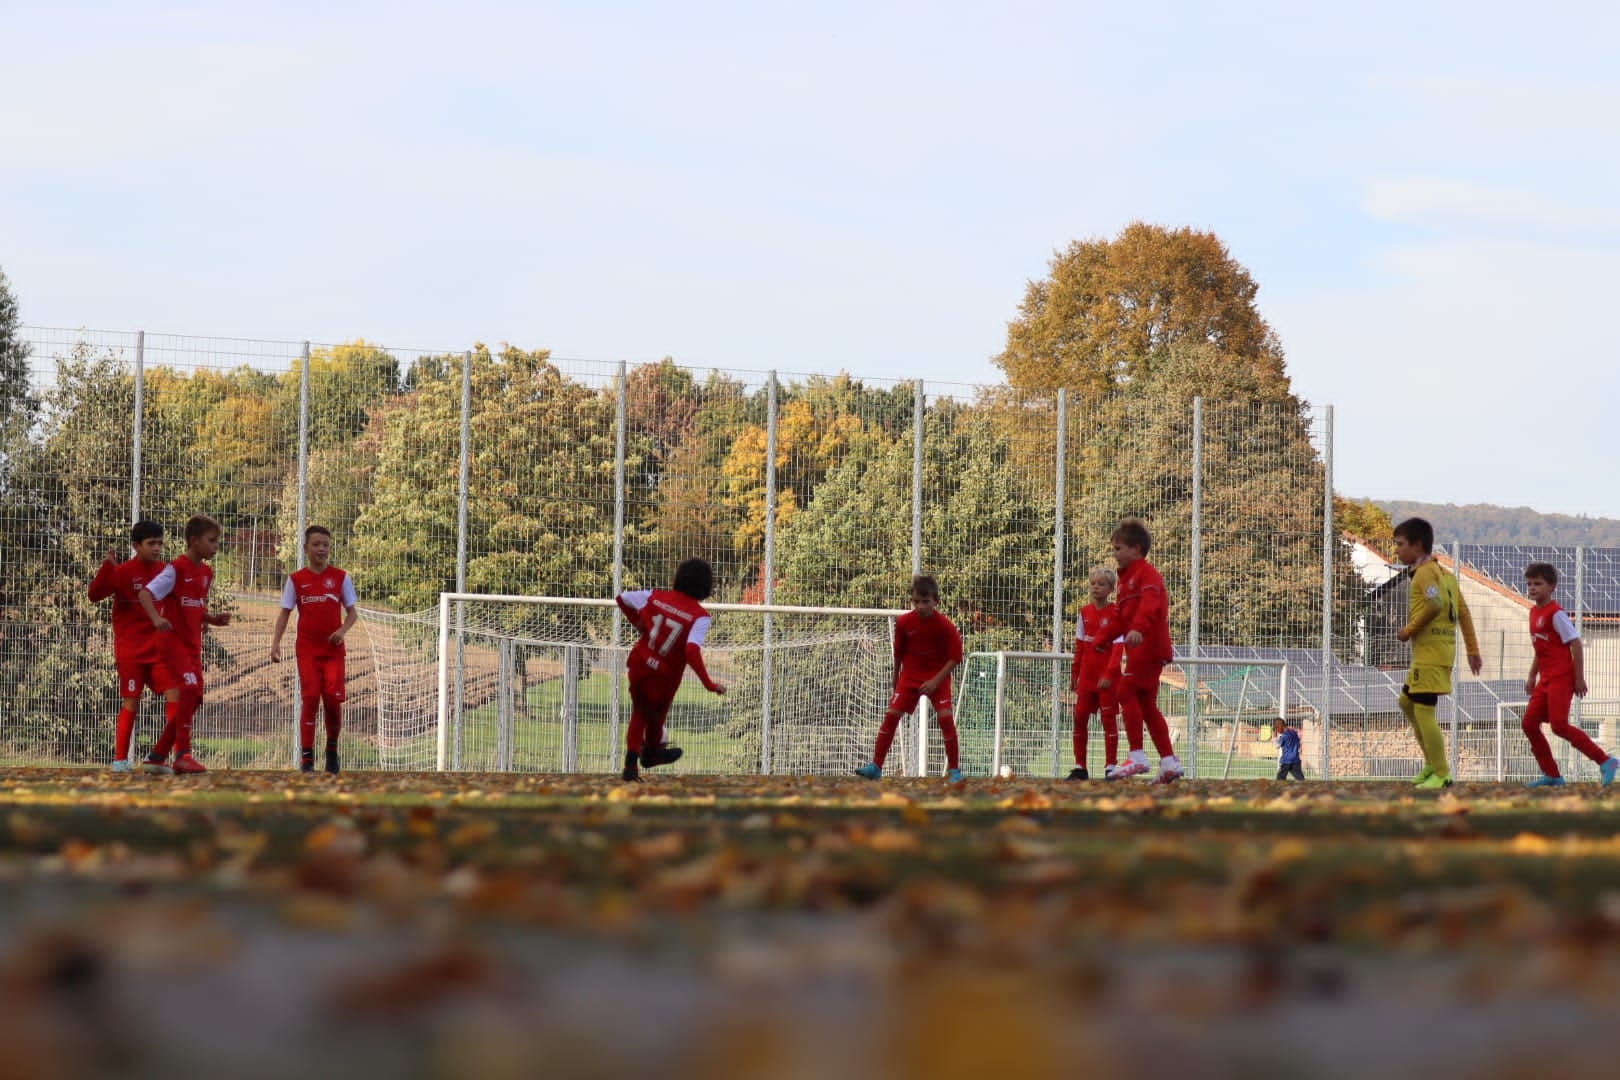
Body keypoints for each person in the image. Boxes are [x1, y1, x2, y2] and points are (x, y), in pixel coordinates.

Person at [134, 515, 231, 775]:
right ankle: (183, 755)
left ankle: (157, 756)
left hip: (192, 644)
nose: (216, 546)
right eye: (212, 541)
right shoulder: (175, 569)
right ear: (194, 541)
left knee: (195, 697)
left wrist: (213, 619)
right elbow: (145, 594)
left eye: (217, 541)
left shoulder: (206, 573)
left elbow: (194, 607)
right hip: (172, 641)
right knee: (187, 689)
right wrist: (157, 619)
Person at [614, 558, 727, 782]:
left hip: (640, 663)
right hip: (665, 675)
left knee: (639, 712)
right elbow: (691, 651)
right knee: (656, 718)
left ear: (679, 577)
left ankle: (631, 764)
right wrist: (709, 684)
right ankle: (651, 754)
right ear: (706, 586)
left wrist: (638, 623)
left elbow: (622, 598)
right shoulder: (700, 616)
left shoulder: (654, 596)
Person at [1392, 517, 1482, 790]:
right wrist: (1472, 650)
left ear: (1417, 545)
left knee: (1424, 710)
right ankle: (1432, 764)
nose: (1397, 550)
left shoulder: (1424, 573)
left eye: (1400, 544)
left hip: (1430, 654)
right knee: (1406, 703)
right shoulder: (1446, 575)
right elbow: (1463, 613)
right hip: (1441, 652)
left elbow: (1435, 604)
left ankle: (1441, 773)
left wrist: (1408, 630)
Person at [87, 520, 180, 771]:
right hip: (131, 651)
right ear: (136, 546)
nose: (157, 548)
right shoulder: (123, 572)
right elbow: (94, 595)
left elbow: (179, 601)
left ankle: (165, 757)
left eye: (160, 543)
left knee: (176, 696)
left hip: (159, 651)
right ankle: (120, 760)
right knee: (131, 701)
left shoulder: (166, 571)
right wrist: (108, 566)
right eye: (151, 543)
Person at [856, 574, 966, 784]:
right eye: (916, 601)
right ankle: (876, 766)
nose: (921, 606)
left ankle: (954, 770)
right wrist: (895, 678)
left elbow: (955, 658)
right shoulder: (904, 622)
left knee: (945, 719)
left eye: (925, 601)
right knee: (891, 715)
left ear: (936, 601)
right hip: (910, 676)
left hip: (937, 677)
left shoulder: (945, 626)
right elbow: (898, 653)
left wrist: (935, 682)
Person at [1520, 561, 1618, 788]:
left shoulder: (1556, 614)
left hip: (1561, 677)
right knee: (1529, 723)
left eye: (1538, 583)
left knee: (1559, 726)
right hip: (1545, 679)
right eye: (1530, 584)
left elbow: (1576, 643)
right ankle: (1552, 775)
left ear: (1551, 587)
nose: (1532, 588)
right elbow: (1541, 648)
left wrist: (1578, 678)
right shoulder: (1533, 613)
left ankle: (1606, 761)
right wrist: (1532, 675)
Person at [270, 525, 359, 774]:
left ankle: (331, 751)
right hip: (307, 651)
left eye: (325, 545)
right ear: (306, 548)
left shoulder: (340, 577)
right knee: (310, 699)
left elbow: (353, 614)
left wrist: (341, 632)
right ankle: (307, 758)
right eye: (316, 544)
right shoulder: (296, 580)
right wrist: (275, 643)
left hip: (333, 652)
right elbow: (284, 613)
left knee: (332, 702)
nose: (321, 549)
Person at [1107, 519, 1184, 784]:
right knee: (1147, 705)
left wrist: (1139, 628)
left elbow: (1151, 605)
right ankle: (1169, 761)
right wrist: (1101, 639)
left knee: (1124, 691)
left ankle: (1137, 755)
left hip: (1148, 646)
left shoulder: (1147, 574)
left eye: (1119, 548)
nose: (1115, 554)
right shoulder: (1125, 580)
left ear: (1136, 549)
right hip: (1142, 648)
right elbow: (1120, 618)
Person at [1069, 567, 1124, 780]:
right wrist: (1075, 673)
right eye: (1093, 583)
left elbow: (1118, 648)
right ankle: (1080, 767)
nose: (1096, 587)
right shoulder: (1084, 613)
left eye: (1101, 584)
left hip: (1107, 678)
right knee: (1079, 718)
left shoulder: (1116, 613)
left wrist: (1109, 674)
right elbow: (1080, 646)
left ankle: (1111, 767)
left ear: (1111, 589)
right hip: (1087, 676)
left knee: (1108, 719)